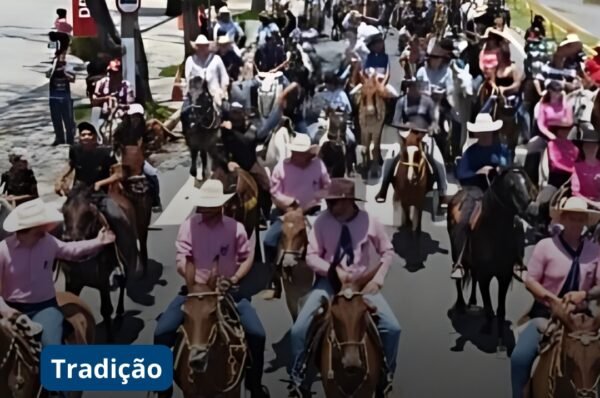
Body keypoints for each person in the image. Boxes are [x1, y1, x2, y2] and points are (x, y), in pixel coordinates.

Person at [287, 178, 401, 398]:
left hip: (361, 285)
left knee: (392, 328)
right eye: (329, 203)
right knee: (299, 328)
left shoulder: (370, 221)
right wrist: (331, 270)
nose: (329, 207)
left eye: (334, 203)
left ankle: (386, 374)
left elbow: (387, 251)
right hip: (328, 284)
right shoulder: (322, 222)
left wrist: (377, 278)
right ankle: (298, 376)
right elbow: (311, 256)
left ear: (348, 201)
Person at [153, 180, 269, 397]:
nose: (205, 209)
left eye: (210, 205)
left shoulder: (236, 228)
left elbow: (246, 258)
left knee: (257, 334)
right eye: (203, 205)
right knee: (162, 332)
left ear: (221, 205)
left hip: (229, 291)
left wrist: (233, 278)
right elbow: (182, 258)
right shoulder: (188, 226)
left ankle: (255, 385)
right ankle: (163, 388)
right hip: (195, 291)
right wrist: (194, 280)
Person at [511, 196, 600, 398]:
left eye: (581, 219)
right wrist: (554, 301)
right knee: (519, 358)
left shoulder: (595, 251)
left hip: (582, 320)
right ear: (563, 219)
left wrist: (584, 294)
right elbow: (530, 281)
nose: (577, 224)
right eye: (572, 218)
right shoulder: (545, 246)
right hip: (546, 316)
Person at [0, 198, 115, 346]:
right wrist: (7, 311)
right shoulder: (3, 250)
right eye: (41, 228)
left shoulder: (48, 242)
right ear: (28, 228)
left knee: (51, 345)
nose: (46, 230)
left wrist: (98, 242)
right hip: (10, 309)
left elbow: (71, 250)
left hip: (44, 308)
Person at [55, 122, 139, 276]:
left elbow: (118, 174)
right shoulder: (75, 150)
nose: (86, 137)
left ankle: (127, 256)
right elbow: (70, 165)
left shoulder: (105, 152)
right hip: (78, 195)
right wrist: (61, 178)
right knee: (57, 221)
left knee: (118, 217)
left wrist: (101, 183)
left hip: (98, 195)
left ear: (95, 137)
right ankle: (55, 260)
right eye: (83, 134)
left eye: (89, 134)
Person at [263, 134, 331, 287]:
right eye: (294, 152)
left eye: (299, 152)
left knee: (325, 239)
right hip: (286, 212)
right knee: (269, 240)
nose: (295, 155)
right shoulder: (281, 167)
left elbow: (327, 186)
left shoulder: (318, 165)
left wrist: (314, 198)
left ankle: (325, 275)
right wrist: (289, 203)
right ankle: (273, 276)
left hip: (311, 211)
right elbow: (274, 191)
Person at [451, 113, 511, 279]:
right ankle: (460, 261)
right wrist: (479, 171)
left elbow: (510, 169)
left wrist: (499, 170)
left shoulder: (503, 150)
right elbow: (461, 173)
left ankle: (517, 261)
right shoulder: (470, 152)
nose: (484, 135)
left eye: (487, 131)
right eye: (481, 132)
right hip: (476, 189)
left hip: (498, 191)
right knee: (464, 221)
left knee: (517, 222)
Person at [378, 111, 449, 205]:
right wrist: (404, 127)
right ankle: (383, 189)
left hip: (423, 136)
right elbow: (396, 119)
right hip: (405, 136)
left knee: (438, 160)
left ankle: (442, 193)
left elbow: (433, 121)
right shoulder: (402, 102)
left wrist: (431, 127)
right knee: (390, 156)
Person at [183, 34, 229, 126]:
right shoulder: (190, 60)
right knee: (184, 113)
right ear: (196, 47)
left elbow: (224, 77)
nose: (202, 48)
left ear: (207, 46)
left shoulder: (216, 59)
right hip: (195, 93)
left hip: (215, 92)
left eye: (204, 46)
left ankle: (224, 130)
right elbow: (187, 78)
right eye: (199, 46)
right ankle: (187, 132)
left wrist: (223, 91)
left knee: (226, 110)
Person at [48, 44, 75, 146]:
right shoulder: (52, 66)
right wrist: (53, 69)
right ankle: (59, 138)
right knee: (56, 119)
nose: (61, 57)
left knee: (68, 119)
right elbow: (47, 74)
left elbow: (73, 79)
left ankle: (70, 139)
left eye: (63, 55)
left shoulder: (68, 65)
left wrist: (65, 73)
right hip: (54, 96)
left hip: (65, 97)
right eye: (59, 55)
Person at [571, 123, 600, 203]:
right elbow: (575, 192)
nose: (591, 149)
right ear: (583, 147)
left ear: (598, 147)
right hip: (583, 204)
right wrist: (593, 204)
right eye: (588, 146)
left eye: (594, 146)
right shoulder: (577, 167)